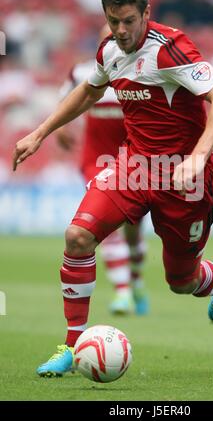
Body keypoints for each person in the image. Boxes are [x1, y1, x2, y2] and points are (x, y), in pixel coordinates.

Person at [13, 0, 213, 378]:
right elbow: (87, 91)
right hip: (133, 169)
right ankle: (70, 345)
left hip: (184, 180)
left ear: (147, 14)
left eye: (129, 21)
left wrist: (198, 156)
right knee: (77, 236)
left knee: (181, 281)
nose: (121, 31)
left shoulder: (171, 50)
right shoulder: (110, 50)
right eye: (113, 21)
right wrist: (39, 132)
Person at [56, 42, 148, 316]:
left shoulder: (142, 74)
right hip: (95, 161)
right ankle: (122, 292)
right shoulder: (83, 72)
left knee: (132, 232)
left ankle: (136, 280)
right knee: (103, 225)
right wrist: (60, 126)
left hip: (131, 161)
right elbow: (67, 100)